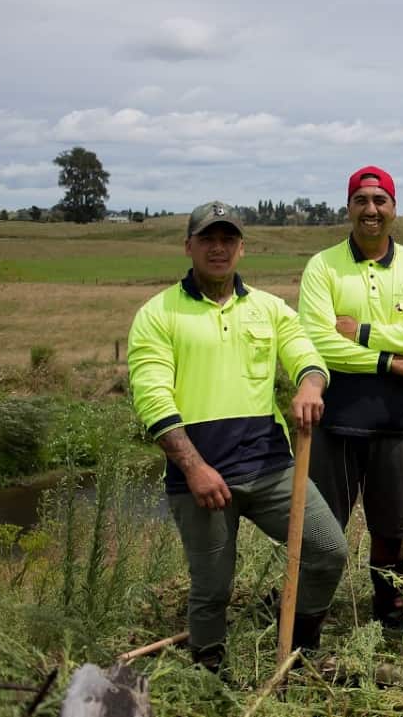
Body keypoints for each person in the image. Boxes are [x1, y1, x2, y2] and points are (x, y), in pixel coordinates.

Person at [127, 201, 347, 672]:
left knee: (329, 552)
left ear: (241, 248)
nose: (218, 248)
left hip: (271, 468)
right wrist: (194, 467)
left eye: (228, 239)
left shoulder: (268, 308)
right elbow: (152, 396)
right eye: (208, 238)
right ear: (189, 246)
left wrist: (311, 382)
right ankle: (210, 673)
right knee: (212, 589)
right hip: (202, 481)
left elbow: (305, 351)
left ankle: (301, 650)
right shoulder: (157, 314)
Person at [298, 166, 403, 629]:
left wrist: (361, 332)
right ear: (348, 208)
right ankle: (307, 615)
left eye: (380, 201)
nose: (371, 210)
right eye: (361, 200)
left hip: (401, 424)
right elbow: (319, 341)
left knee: (392, 529)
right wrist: (390, 361)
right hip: (336, 422)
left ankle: (390, 612)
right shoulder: (322, 266)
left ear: (394, 209)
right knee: (322, 532)